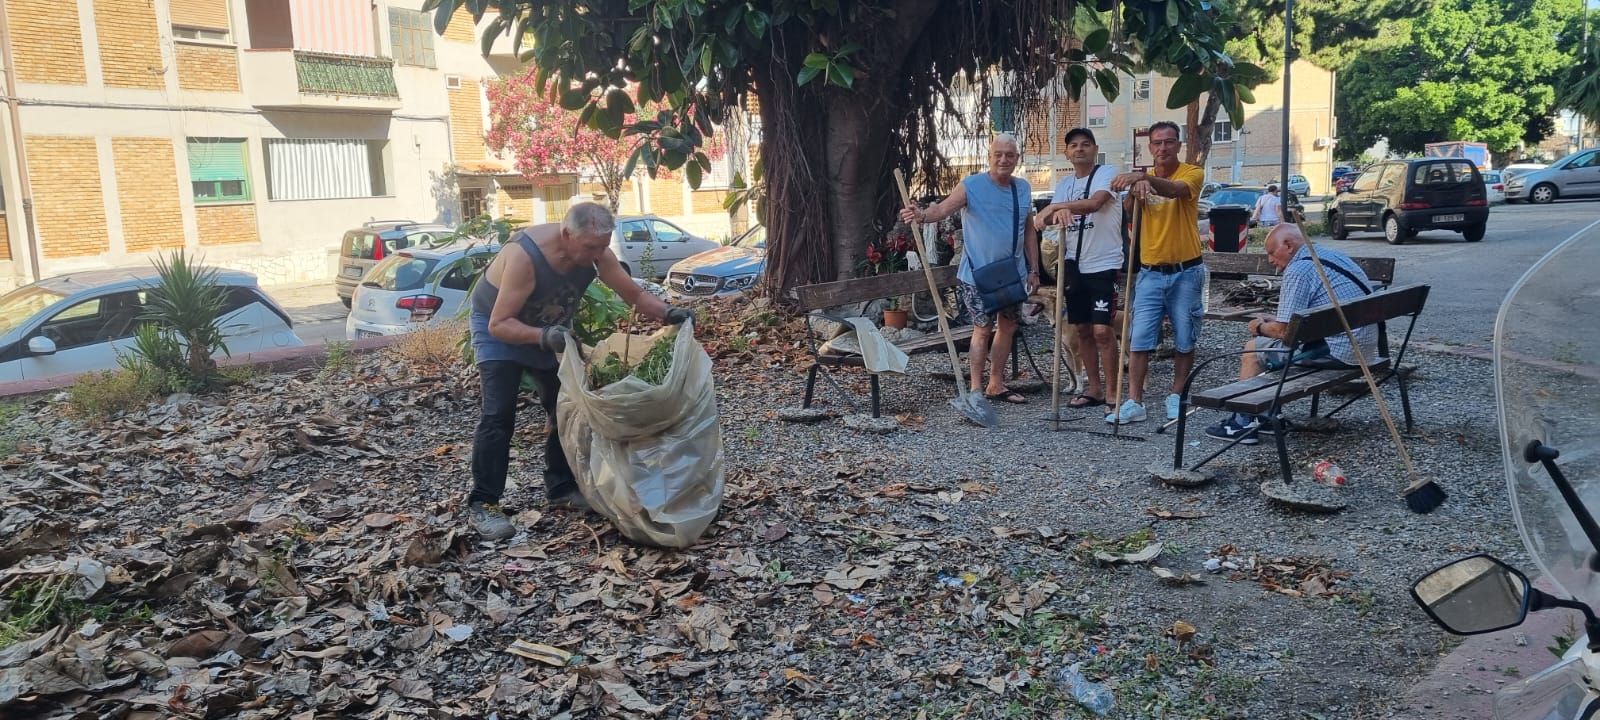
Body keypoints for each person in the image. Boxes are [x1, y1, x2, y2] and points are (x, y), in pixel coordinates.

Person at [465, 202, 693, 539]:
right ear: (566, 234)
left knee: (567, 409)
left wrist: (668, 313)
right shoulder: (526, 257)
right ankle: (484, 503)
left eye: (603, 246)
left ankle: (560, 488)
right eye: (590, 247)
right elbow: (500, 323)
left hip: (551, 330)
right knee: (498, 415)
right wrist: (542, 336)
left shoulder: (596, 252)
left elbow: (632, 293)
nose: (598, 254)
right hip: (500, 330)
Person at [1205, 223, 1378, 444]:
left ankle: (1242, 423)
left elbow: (1283, 331)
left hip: (1339, 352)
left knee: (1254, 349)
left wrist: (1259, 327)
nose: (1269, 260)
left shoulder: (1299, 270)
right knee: (1273, 349)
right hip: (1364, 344)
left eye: (1270, 252)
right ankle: (1268, 416)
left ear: (1288, 245)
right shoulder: (1331, 255)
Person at [900, 133, 1040, 404]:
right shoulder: (971, 185)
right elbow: (940, 211)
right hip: (978, 275)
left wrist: (1034, 269)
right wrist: (920, 215)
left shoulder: (1022, 188)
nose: (1003, 159)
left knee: (1008, 326)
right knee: (982, 327)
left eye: (1009, 155)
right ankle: (976, 389)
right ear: (989, 157)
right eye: (998, 154)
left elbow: (1029, 231)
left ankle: (996, 384)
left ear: (1017, 159)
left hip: (1013, 273)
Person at [1106, 121, 1207, 424]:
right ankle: (1135, 400)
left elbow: (1177, 191)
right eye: (1157, 143)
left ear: (1179, 145)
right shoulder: (1143, 181)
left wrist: (1142, 177)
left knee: (1185, 335)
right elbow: (1127, 209)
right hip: (1149, 272)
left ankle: (1177, 394)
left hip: (1186, 270)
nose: (1163, 148)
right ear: (1149, 147)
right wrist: (1134, 192)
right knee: (1139, 338)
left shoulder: (1192, 173)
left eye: (1169, 142)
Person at [1034, 127, 1122, 408]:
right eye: (1073, 145)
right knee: (1082, 329)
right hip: (1073, 263)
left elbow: (1096, 203)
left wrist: (1057, 207)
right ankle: (1093, 388)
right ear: (1067, 153)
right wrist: (1054, 212)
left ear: (1095, 148)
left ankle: (1113, 390)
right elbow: (1045, 222)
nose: (1080, 149)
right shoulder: (1064, 184)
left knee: (1102, 331)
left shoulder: (1106, 174)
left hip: (1103, 262)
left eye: (1086, 144)